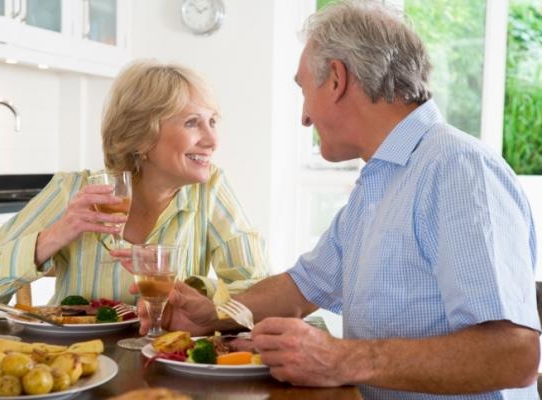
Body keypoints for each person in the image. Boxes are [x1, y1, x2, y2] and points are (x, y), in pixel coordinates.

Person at [136, 1, 541, 398]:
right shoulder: (381, 179)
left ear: (335, 79)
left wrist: (341, 359)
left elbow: (514, 355)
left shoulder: (458, 169)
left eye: (303, 90)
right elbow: (301, 287)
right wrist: (215, 314)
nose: (304, 117)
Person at [0, 60, 269, 317]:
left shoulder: (210, 189)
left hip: (166, 373)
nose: (213, 141)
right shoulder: (74, 191)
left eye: (213, 121)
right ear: (143, 135)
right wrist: (53, 237)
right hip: (78, 373)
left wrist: (191, 291)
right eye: (192, 122)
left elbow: (260, 289)